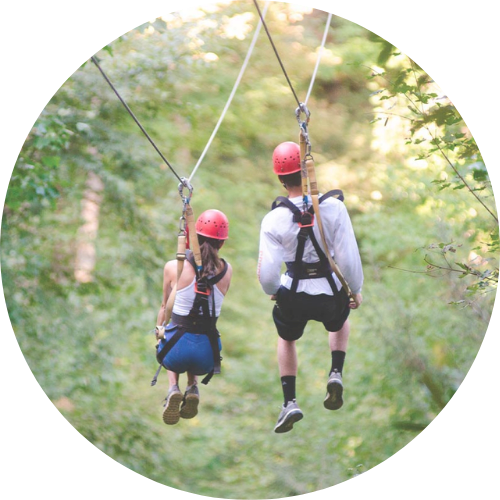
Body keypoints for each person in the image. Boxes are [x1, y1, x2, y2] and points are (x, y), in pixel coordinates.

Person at [257, 141, 363, 433]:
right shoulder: (333, 208)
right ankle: (336, 371)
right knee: (340, 320)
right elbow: (348, 257)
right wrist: (354, 289)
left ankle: (289, 401)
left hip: (293, 295)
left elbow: (267, 272)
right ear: (307, 171)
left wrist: (274, 290)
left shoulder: (273, 219)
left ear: (280, 178)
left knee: (286, 338)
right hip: (330, 292)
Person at [156, 209, 232, 425]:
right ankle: (193, 385)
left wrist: (159, 332)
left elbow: (164, 307)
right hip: (207, 355)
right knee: (199, 329)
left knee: (172, 329)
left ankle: (173, 387)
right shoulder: (227, 271)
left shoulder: (174, 267)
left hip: (175, 350)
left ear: (194, 237)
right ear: (222, 243)